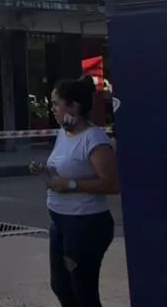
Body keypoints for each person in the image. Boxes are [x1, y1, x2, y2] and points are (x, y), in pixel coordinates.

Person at [31, 76, 119, 307]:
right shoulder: (64, 133)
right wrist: (46, 172)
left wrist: (71, 185)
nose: (53, 109)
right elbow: (64, 170)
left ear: (74, 106)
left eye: (56, 103)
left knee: (81, 286)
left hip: (85, 226)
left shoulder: (94, 139)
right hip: (60, 222)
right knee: (61, 284)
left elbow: (112, 184)